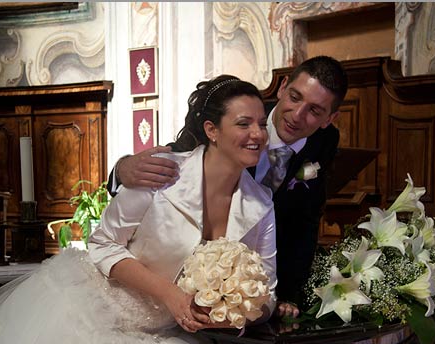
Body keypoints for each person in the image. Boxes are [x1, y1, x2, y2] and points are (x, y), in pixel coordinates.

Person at [0, 75, 277, 344]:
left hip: (163, 337)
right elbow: (103, 244)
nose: (257, 134)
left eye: (261, 124)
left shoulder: (261, 205)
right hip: (90, 316)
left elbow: (267, 296)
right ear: (212, 130)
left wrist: (226, 315)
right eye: (243, 123)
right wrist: (170, 295)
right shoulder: (161, 172)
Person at [110, 56, 347, 312]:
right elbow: (183, 158)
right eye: (295, 97)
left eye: (314, 110)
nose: (298, 115)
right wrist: (121, 170)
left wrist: (287, 295)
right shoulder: (240, 113)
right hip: (184, 266)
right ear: (282, 87)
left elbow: (305, 218)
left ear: (329, 118)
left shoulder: (325, 140)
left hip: (248, 273)